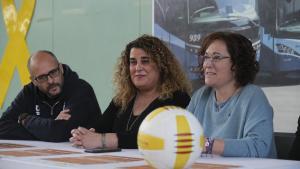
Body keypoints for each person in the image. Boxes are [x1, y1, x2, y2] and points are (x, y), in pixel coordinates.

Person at [70, 35, 191, 149]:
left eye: (145, 61)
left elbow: (161, 138)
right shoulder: (122, 99)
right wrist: (83, 135)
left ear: (161, 66)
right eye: (133, 62)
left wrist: (105, 140)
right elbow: (99, 128)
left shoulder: (178, 98)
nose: (138, 68)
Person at [187, 32, 277, 158]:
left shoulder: (253, 96)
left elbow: (259, 147)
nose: (207, 64)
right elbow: (179, 136)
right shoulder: (201, 95)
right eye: (206, 57)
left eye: (217, 57)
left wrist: (206, 144)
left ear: (238, 64)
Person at [0, 50, 102, 142]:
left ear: (61, 68)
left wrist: (25, 120)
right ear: (34, 81)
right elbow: (2, 126)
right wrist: (48, 128)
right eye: (42, 77)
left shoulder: (81, 89)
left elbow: (60, 132)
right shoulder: (29, 92)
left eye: (53, 72)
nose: (50, 81)